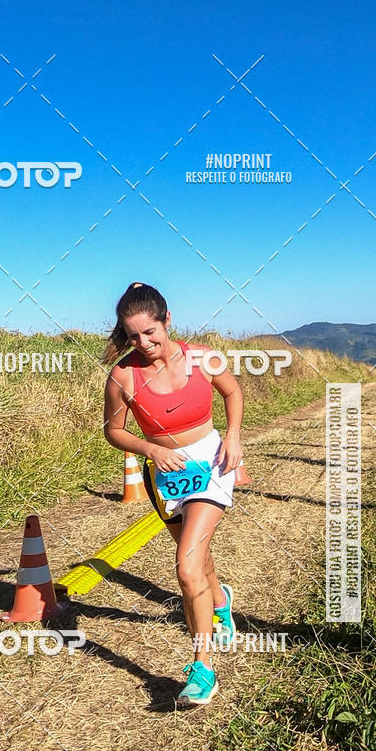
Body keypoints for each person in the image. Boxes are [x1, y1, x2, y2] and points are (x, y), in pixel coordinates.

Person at [103, 281, 244, 707]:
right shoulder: (122, 376)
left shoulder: (203, 357)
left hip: (210, 465)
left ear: (168, 320)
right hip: (164, 476)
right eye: (133, 336)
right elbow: (113, 431)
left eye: (150, 332)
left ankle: (202, 669)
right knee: (196, 557)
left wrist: (233, 435)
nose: (143, 343)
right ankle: (219, 601)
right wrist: (150, 450)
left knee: (185, 566)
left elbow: (233, 391)